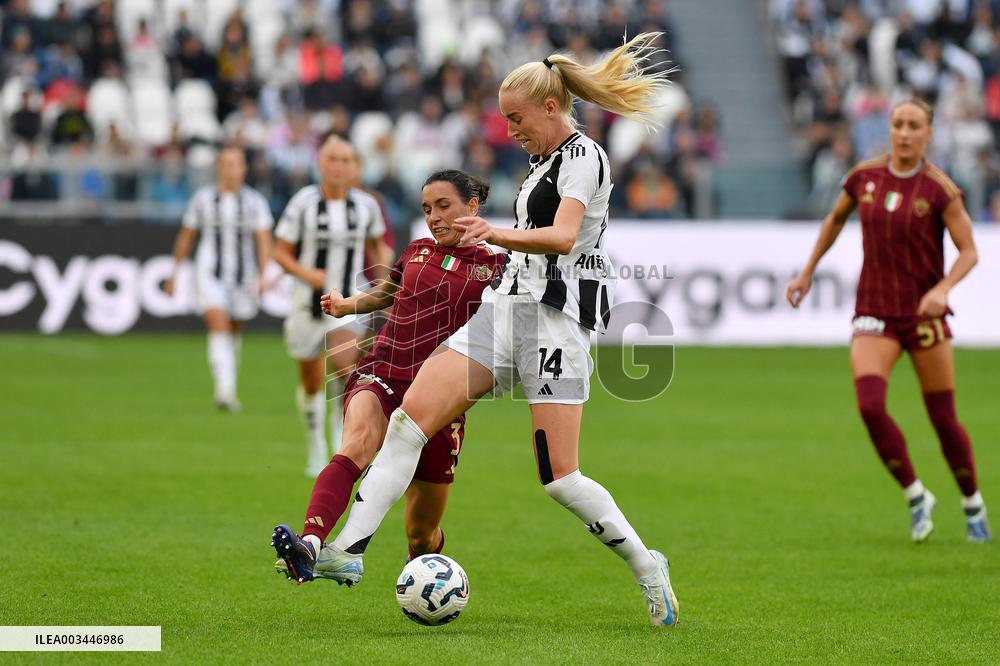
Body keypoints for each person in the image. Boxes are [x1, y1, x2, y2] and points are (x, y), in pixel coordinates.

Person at [311, 34, 680, 627]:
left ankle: (646, 564)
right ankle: (346, 550)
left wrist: (493, 233)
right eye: (505, 119)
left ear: (551, 107)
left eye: (517, 118)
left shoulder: (585, 157)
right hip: (505, 309)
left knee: (560, 479)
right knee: (409, 421)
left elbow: (563, 237)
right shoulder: (539, 164)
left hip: (557, 322)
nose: (510, 130)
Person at [271, 169, 506, 582]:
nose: (434, 217)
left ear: (472, 206)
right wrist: (347, 305)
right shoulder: (417, 250)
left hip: (441, 398)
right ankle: (311, 545)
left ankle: (424, 582)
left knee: (421, 534)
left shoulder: (500, 267)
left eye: (443, 206)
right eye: (427, 209)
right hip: (383, 371)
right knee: (356, 444)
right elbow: (387, 293)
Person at [786, 99, 991, 543]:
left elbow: (970, 251)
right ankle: (916, 495)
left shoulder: (940, 189)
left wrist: (942, 289)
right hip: (875, 312)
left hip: (922, 315)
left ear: (928, 134)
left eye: (914, 125)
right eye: (898, 124)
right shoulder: (864, 178)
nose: (904, 132)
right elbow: (834, 220)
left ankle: (972, 502)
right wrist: (807, 271)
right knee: (870, 406)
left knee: (943, 420)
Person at [272, 135, 394, 477]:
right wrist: (306, 274)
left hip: (349, 301)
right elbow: (280, 251)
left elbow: (378, 247)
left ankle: (343, 445)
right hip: (307, 304)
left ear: (354, 166)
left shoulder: (366, 206)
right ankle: (315, 445)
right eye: (332, 159)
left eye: (345, 160)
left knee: (344, 368)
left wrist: (384, 286)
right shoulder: (304, 203)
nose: (339, 166)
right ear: (320, 164)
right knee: (312, 381)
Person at [166, 145, 273, 411]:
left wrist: (265, 274)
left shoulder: (255, 202)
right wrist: (174, 272)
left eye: (235, 164)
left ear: (244, 168)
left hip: (243, 275)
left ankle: (228, 385)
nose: (230, 170)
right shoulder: (203, 199)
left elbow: (263, 240)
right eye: (225, 164)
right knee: (218, 324)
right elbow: (187, 235)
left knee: (234, 329)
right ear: (218, 168)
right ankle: (224, 391)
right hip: (209, 273)